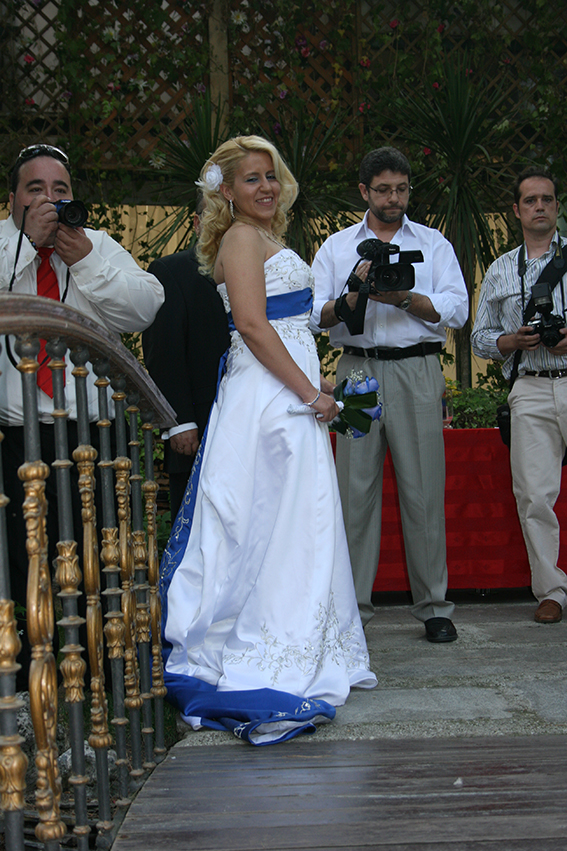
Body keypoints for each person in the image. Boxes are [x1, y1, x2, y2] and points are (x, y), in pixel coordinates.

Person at [158, 135, 377, 745]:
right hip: (269, 402)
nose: (265, 187)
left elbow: (293, 324)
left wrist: (323, 377)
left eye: (270, 176)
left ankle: (306, 635)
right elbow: (252, 326)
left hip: (289, 391)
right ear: (225, 191)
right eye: (251, 179)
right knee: (270, 521)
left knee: (295, 520)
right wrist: (310, 396)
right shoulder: (240, 238)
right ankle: (267, 641)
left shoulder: (270, 239)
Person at [0, 143, 164, 687]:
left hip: (92, 433)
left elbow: (144, 308)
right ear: (13, 199)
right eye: (37, 190)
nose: (50, 200)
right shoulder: (3, 247)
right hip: (17, 436)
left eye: (61, 190)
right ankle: (30, 676)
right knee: (27, 561)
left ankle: (103, 671)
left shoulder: (97, 247)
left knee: (98, 558)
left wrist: (85, 260)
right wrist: (28, 249)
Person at [311, 147, 468, 642]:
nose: (394, 198)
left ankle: (435, 606)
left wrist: (404, 297)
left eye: (401, 189)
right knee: (354, 492)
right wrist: (354, 295)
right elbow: (314, 315)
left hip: (417, 370)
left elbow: (457, 308)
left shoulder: (433, 243)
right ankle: (354, 608)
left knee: (423, 490)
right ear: (364, 191)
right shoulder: (337, 248)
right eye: (383, 189)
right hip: (357, 373)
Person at [471, 165, 567, 624]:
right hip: (528, 386)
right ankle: (551, 590)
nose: (540, 207)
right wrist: (512, 341)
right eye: (531, 200)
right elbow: (478, 338)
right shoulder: (501, 269)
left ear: (557, 204)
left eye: (546, 199)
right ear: (516, 210)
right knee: (533, 495)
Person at [142, 194, 230, 520]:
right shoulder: (171, 271)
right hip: (198, 428)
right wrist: (180, 422)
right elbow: (162, 351)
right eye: (214, 215)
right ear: (196, 223)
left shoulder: (262, 270)